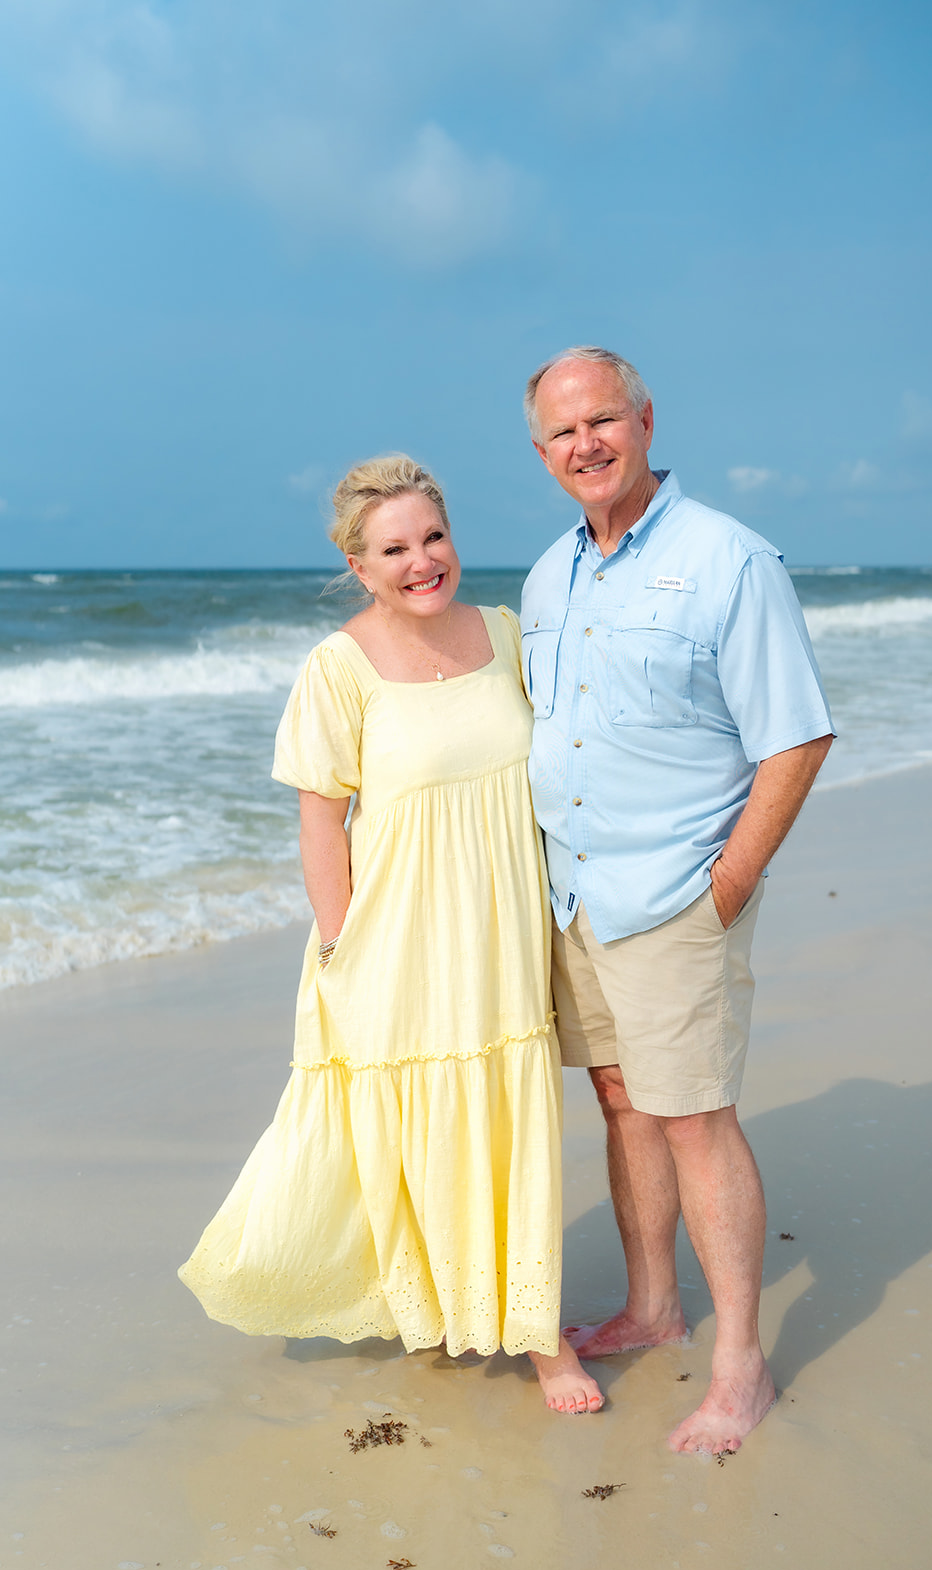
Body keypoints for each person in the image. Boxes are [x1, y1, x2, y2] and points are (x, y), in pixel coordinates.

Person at [179, 454, 603, 1415]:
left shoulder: (503, 634)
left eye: (433, 538)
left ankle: (538, 1337)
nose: (422, 562)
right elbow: (321, 820)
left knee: (510, 1116)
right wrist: (338, 947)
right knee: (414, 1126)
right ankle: (442, 1306)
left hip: (500, 929)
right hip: (395, 938)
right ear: (359, 567)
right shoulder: (339, 667)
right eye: (394, 550)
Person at [519, 347, 835, 1453]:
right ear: (540, 451)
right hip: (575, 896)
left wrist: (728, 880)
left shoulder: (727, 559)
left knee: (694, 1117)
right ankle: (653, 1309)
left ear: (645, 420)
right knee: (619, 1097)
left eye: (601, 420)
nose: (584, 446)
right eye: (561, 433)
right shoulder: (546, 575)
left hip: (675, 893)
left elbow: (795, 734)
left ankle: (739, 1361)